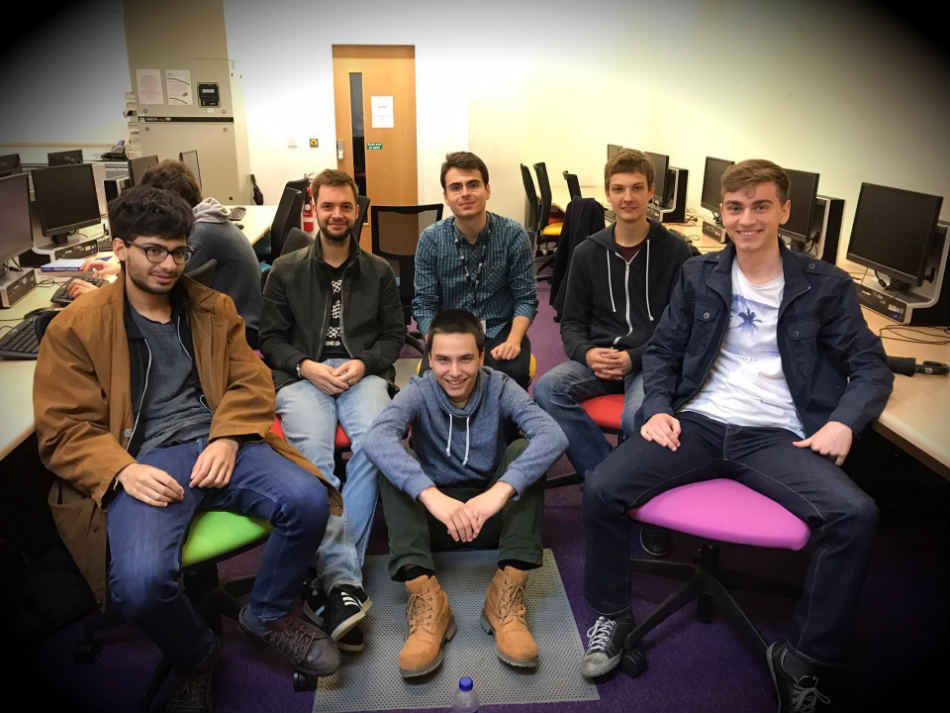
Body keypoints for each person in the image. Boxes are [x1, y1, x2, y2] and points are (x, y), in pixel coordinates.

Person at [579, 160, 893, 713]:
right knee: (602, 486)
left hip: (776, 435)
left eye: (760, 206)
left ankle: (800, 656)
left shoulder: (825, 286)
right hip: (698, 422)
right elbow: (664, 351)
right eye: (735, 208)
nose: (746, 220)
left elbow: (870, 368)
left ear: (785, 211)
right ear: (721, 212)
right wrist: (655, 407)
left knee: (855, 515)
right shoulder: (700, 275)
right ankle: (614, 614)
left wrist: (844, 421)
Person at [33, 185, 343, 712]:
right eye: (154, 250)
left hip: (223, 440)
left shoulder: (212, 307)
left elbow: (251, 382)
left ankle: (266, 614)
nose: (169, 264)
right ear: (121, 247)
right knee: (139, 585)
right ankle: (197, 654)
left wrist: (226, 435)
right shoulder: (77, 328)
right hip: (142, 461)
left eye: (179, 251)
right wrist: (121, 471)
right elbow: (63, 428)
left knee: (310, 499)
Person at [362, 309, 567, 678]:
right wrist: (431, 495)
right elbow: (376, 437)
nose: (454, 371)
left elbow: (553, 435)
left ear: (482, 357)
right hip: (433, 525)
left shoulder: (501, 385)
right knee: (392, 462)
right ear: (428, 359)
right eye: (442, 359)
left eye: (465, 359)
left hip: (490, 519)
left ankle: (507, 594)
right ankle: (426, 600)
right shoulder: (420, 389)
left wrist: (498, 492)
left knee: (526, 454)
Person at [259, 168, 406, 652]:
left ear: (356, 211)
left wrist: (364, 364)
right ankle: (345, 581)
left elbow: (392, 337)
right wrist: (305, 366)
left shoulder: (381, 271)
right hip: (304, 377)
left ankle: (337, 582)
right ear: (314, 208)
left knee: (373, 447)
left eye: (346, 206)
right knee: (315, 462)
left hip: (362, 375)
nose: (337, 214)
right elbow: (270, 340)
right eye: (328, 206)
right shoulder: (285, 270)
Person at [534, 148, 692, 483]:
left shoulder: (676, 251)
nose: (628, 197)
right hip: (599, 360)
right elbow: (572, 323)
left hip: (651, 362)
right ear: (607, 194)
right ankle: (608, 477)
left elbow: (681, 328)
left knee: (639, 416)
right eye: (619, 189)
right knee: (548, 389)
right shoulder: (587, 252)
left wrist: (634, 358)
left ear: (652, 192)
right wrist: (588, 352)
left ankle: (617, 485)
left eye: (637, 188)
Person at [70, 159, 263, 347]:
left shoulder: (198, 235)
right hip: (241, 320)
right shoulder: (209, 218)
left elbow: (158, 294)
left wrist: (99, 297)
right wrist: (121, 266)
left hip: (241, 332)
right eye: (153, 250)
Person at [413, 151, 538, 388]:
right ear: (446, 197)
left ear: (487, 190)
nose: (465, 193)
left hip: (499, 328)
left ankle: (503, 426)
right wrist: (435, 346)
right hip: (449, 331)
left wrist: (514, 340)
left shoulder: (513, 235)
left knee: (510, 375)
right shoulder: (431, 239)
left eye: (473, 184)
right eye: (456, 187)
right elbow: (425, 304)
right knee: (431, 381)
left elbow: (526, 297)